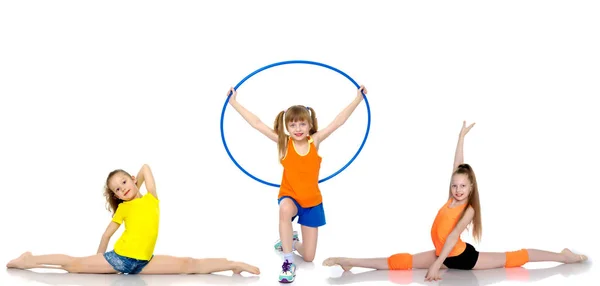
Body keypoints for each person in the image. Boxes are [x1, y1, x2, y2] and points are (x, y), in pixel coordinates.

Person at [322, 121, 587, 282]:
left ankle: (564, 257)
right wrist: (461, 138)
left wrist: (438, 264)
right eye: (455, 185)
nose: (458, 189)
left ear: (471, 188)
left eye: (463, 186)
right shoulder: (451, 198)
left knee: (515, 258)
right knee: (399, 260)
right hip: (444, 254)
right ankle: (349, 260)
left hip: (462, 258)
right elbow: (457, 166)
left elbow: (451, 238)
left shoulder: (468, 209)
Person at [6, 164, 260, 276]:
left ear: (132, 179)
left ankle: (232, 264)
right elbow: (107, 234)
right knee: (72, 265)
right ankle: (30, 260)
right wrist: (99, 258)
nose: (122, 189)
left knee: (188, 264)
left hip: (143, 262)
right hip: (118, 259)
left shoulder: (151, 198)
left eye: (125, 182)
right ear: (116, 196)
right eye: (117, 189)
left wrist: (135, 186)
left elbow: (146, 166)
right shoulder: (124, 209)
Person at [227, 85, 367, 283]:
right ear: (287, 128)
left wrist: (357, 99)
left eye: (302, 124)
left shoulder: (315, 141)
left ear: (309, 125)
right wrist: (234, 103)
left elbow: (338, 122)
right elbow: (257, 124)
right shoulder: (284, 142)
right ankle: (287, 261)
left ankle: (291, 241)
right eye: (292, 125)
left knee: (309, 257)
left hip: (312, 202)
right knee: (284, 208)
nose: (298, 129)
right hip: (290, 197)